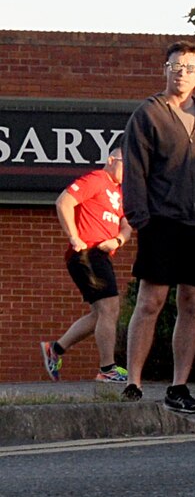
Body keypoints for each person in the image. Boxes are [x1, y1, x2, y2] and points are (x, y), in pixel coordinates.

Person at [121, 42, 195, 415]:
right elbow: (134, 170)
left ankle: (179, 386)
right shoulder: (148, 115)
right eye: (176, 66)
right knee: (150, 301)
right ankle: (133, 384)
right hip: (162, 223)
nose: (182, 72)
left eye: (190, 67)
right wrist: (140, 217)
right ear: (165, 70)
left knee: (191, 303)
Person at [41, 151, 132, 384]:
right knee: (110, 308)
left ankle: (55, 349)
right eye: (126, 163)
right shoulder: (95, 179)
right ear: (112, 160)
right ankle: (107, 369)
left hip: (101, 254)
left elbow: (127, 227)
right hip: (87, 253)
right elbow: (64, 201)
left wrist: (118, 240)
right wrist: (74, 237)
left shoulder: (119, 193)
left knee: (101, 313)